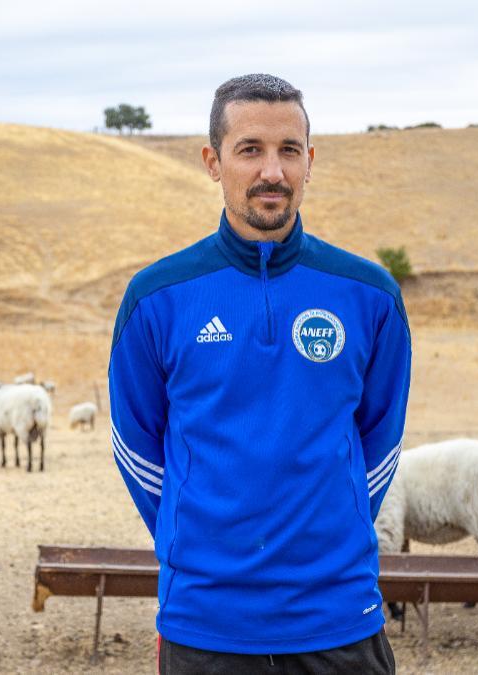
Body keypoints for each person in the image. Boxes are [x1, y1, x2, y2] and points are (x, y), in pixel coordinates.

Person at [108, 73, 411, 674]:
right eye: (250, 150)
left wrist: (327, 531)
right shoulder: (158, 297)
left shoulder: (368, 295)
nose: (272, 171)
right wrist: (200, 538)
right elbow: (137, 447)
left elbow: (380, 443)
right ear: (213, 161)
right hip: (207, 622)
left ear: (309, 162)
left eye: (288, 151)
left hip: (338, 617)